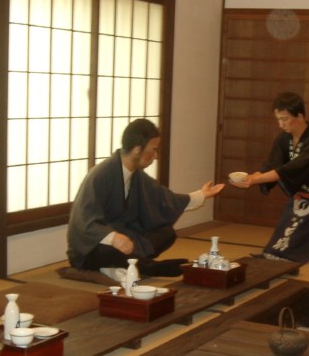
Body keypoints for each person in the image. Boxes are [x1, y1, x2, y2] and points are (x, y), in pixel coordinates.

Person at [67, 118, 224, 278]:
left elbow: (164, 199)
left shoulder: (136, 174)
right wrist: (112, 237)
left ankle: (120, 267)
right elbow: (83, 219)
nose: (155, 156)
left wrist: (201, 195)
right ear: (137, 149)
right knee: (110, 250)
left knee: (166, 233)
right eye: (153, 150)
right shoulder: (101, 175)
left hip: (123, 236)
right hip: (92, 247)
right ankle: (151, 268)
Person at [229, 92, 309, 262]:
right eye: (278, 119)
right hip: (298, 200)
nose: (280, 124)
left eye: (284, 119)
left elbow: (291, 169)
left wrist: (255, 179)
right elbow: (271, 164)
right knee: (277, 244)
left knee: (285, 251)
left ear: (300, 115)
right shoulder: (284, 139)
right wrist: (250, 178)